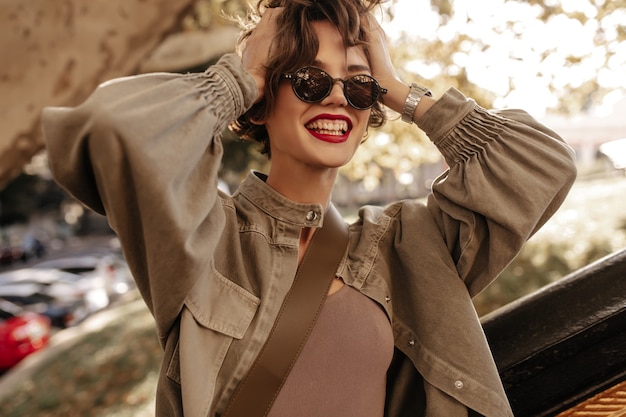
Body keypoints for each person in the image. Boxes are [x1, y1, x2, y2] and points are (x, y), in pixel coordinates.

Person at [41, 0, 577, 416]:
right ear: (263, 97)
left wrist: (397, 88)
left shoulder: (409, 245)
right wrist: (240, 77)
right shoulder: (206, 236)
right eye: (308, 77)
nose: (338, 97)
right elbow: (108, 130)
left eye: (359, 84)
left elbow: (541, 166)